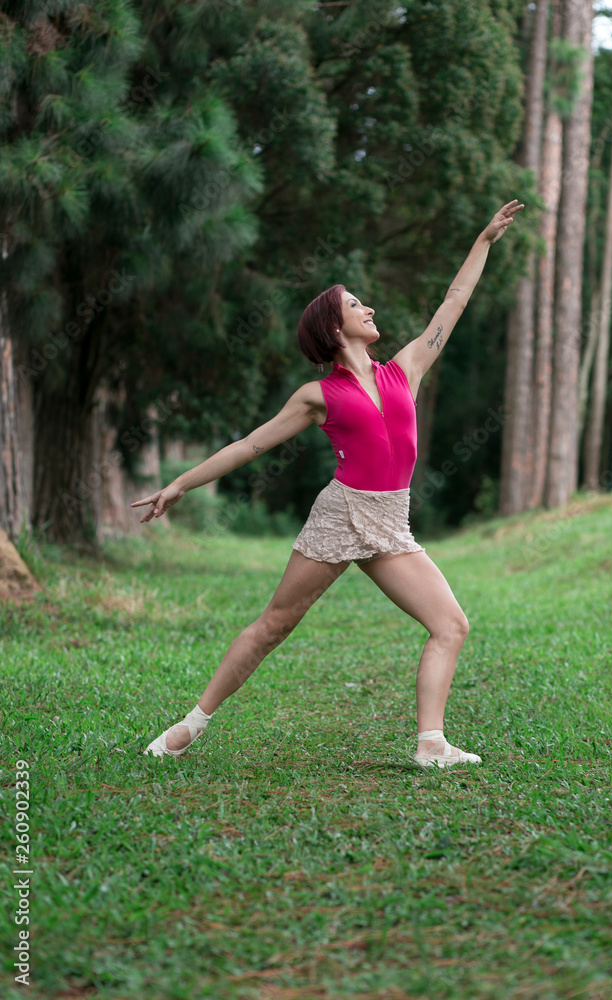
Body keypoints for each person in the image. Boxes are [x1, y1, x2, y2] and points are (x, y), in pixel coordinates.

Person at [132, 199, 524, 767]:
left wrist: (483, 241)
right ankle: (190, 725)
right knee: (274, 625)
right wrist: (180, 485)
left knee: (451, 624)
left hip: (390, 519)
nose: (368, 308)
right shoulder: (318, 396)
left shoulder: (406, 369)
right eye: (354, 304)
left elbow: (454, 302)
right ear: (333, 328)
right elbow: (251, 445)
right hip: (341, 513)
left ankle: (431, 745)